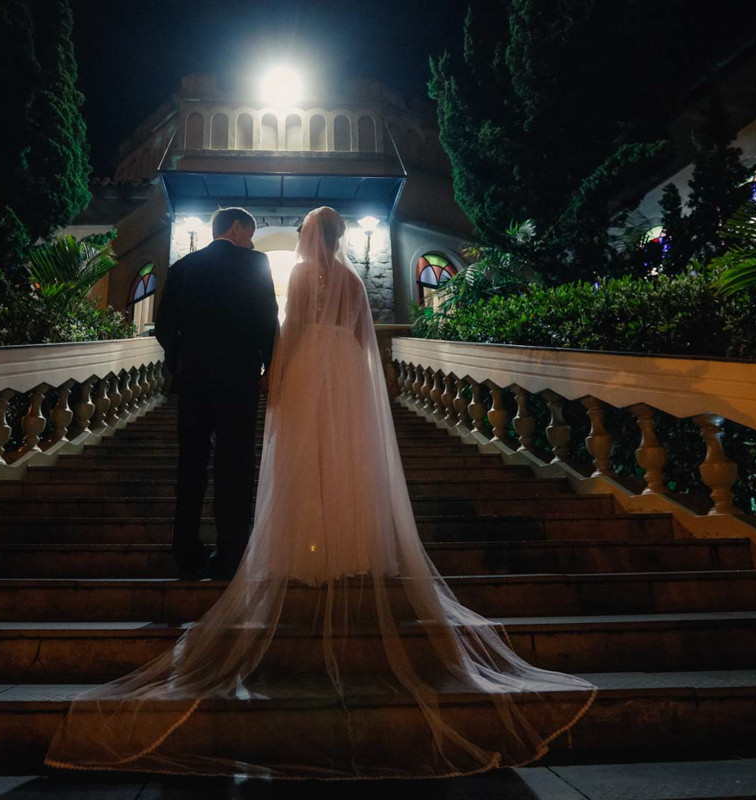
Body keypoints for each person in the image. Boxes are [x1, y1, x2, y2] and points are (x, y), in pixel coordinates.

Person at [46, 207, 596, 779]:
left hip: (251, 375)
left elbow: (239, 328)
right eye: (251, 230)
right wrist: (265, 369)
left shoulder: (216, 268)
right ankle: (286, 549)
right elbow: (329, 335)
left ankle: (199, 553)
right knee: (303, 462)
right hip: (326, 379)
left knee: (213, 467)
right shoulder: (347, 279)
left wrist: (239, 369)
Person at [153, 207, 279, 581]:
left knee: (190, 465)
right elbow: (266, 321)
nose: (251, 241)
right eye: (250, 232)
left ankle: (186, 552)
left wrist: (180, 362)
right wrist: (268, 366)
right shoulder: (255, 263)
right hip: (238, 381)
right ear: (237, 228)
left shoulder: (183, 267)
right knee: (235, 466)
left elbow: (163, 328)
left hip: (193, 380)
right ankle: (230, 554)